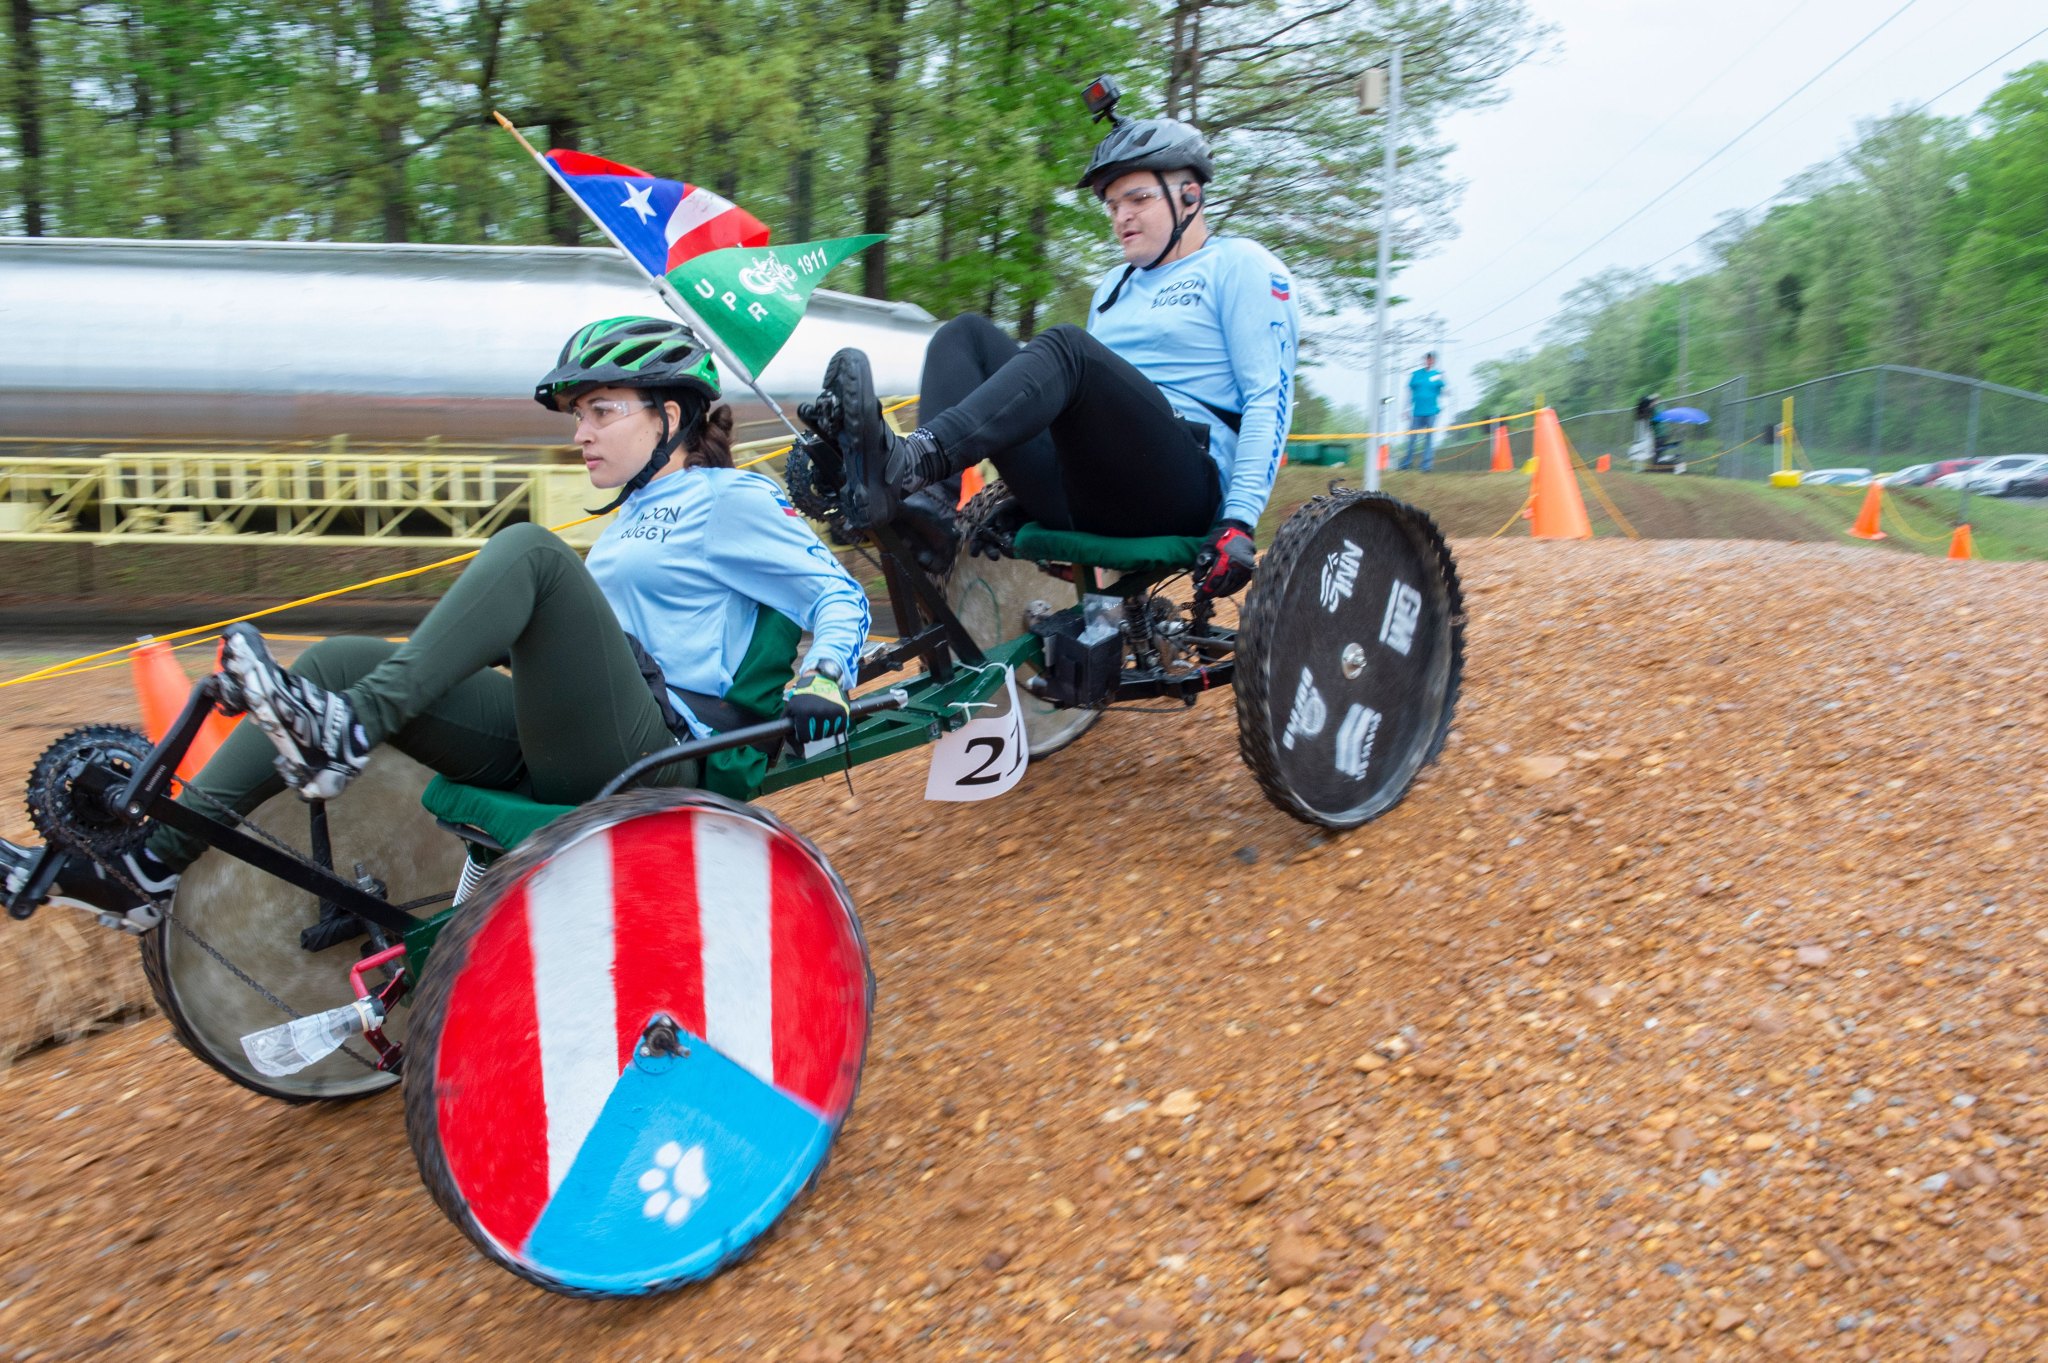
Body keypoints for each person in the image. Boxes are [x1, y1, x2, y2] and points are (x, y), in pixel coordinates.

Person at [2, 316, 870, 922]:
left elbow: (838, 595)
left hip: (659, 749)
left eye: (602, 409)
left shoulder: (730, 500)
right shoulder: (627, 522)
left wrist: (824, 674)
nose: (582, 434)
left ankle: (348, 730)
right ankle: (145, 865)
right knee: (339, 655)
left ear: (671, 414)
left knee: (530, 551)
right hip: (572, 737)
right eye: (580, 416)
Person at [802, 84, 1298, 600]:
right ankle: (926, 502)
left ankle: (910, 463)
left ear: (1190, 196)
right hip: (1092, 490)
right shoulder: (1113, 287)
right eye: (1111, 205)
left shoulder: (1240, 265)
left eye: (1138, 198)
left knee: (1068, 349)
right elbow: (1086, 421)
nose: (1121, 216)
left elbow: (1269, 398)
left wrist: (1239, 518)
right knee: (964, 334)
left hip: (1182, 484)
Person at [1399, 352, 1446, 472]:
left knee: (1429, 438)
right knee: (1412, 438)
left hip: (1431, 412)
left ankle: (1426, 466)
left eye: (1431, 360)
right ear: (1424, 360)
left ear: (1434, 361)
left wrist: (1442, 406)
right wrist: (1405, 409)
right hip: (1417, 412)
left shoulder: (1438, 375)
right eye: (1427, 359)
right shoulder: (1416, 375)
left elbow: (1444, 392)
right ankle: (1406, 464)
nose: (1429, 362)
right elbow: (1409, 393)